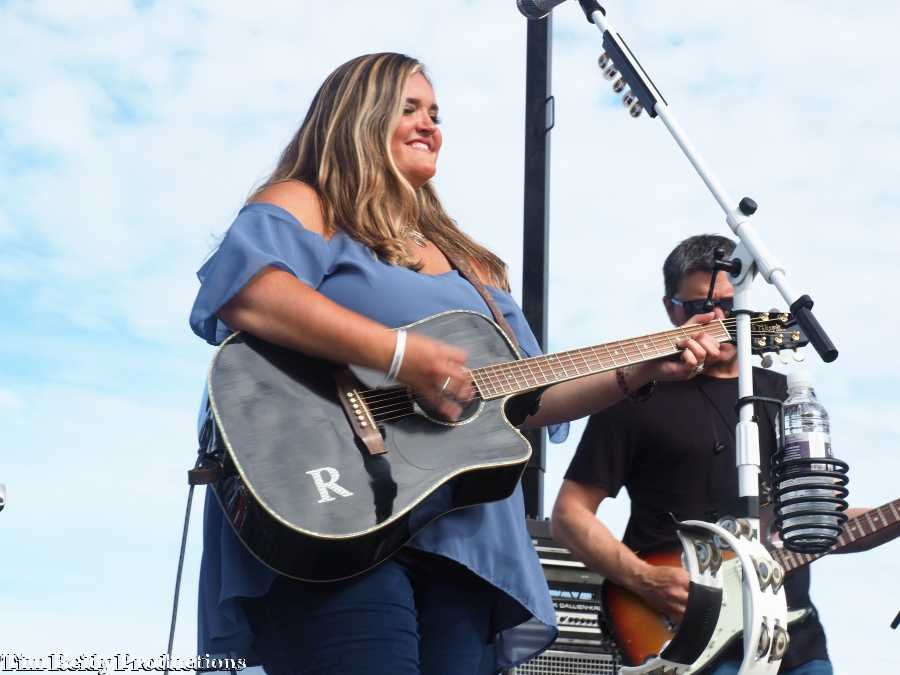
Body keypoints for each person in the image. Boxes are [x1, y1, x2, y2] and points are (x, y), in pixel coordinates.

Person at [188, 53, 721, 675]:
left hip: (466, 539)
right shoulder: (308, 204)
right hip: (340, 509)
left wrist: (641, 369)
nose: (429, 125)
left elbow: (531, 396)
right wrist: (400, 356)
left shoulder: (473, 265)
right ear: (357, 117)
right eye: (409, 109)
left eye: (436, 115)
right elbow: (249, 290)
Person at [551, 234, 900, 674]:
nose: (718, 318)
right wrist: (646, 579)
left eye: (731, 305)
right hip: (684, 637)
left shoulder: (788, 400)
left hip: (791, 641)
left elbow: (819, 521)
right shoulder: (634, 393)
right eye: (698, 306)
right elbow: (570, 514)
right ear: (670, 309)